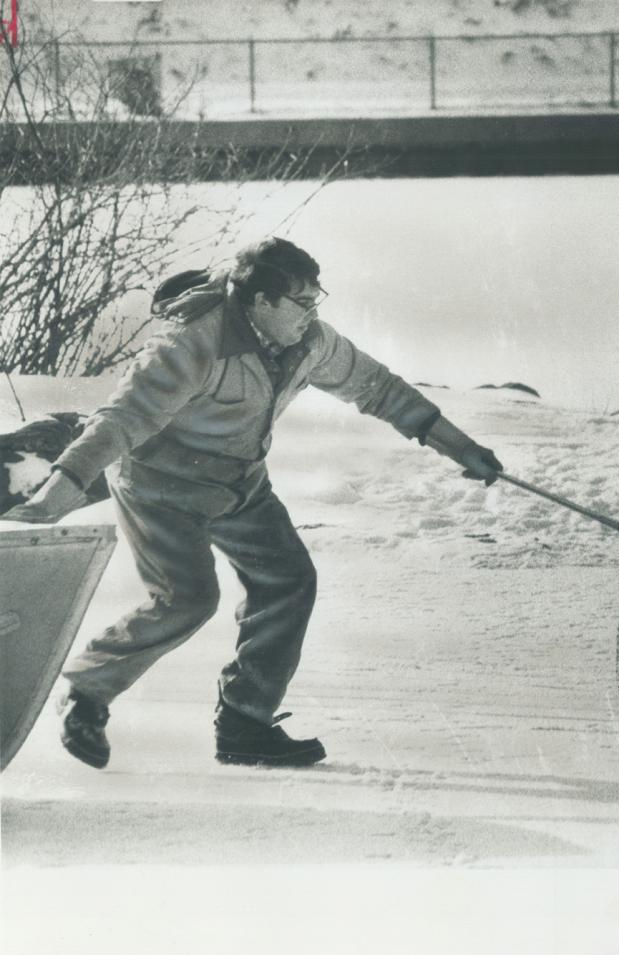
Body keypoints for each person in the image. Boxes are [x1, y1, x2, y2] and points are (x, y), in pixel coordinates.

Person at [2, 238, 502, 769]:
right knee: (186, 598)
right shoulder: (192, 342)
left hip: (241, 484)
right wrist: (64, 486)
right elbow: (121, 419)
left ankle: (244, 720)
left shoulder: (309, 341)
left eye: (316, 299)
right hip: (159, 483)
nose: (312, 315)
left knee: (288, 581)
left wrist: (461, 447)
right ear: (261, 302)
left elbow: (379, 389)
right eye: (301, 302)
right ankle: (86, 694)